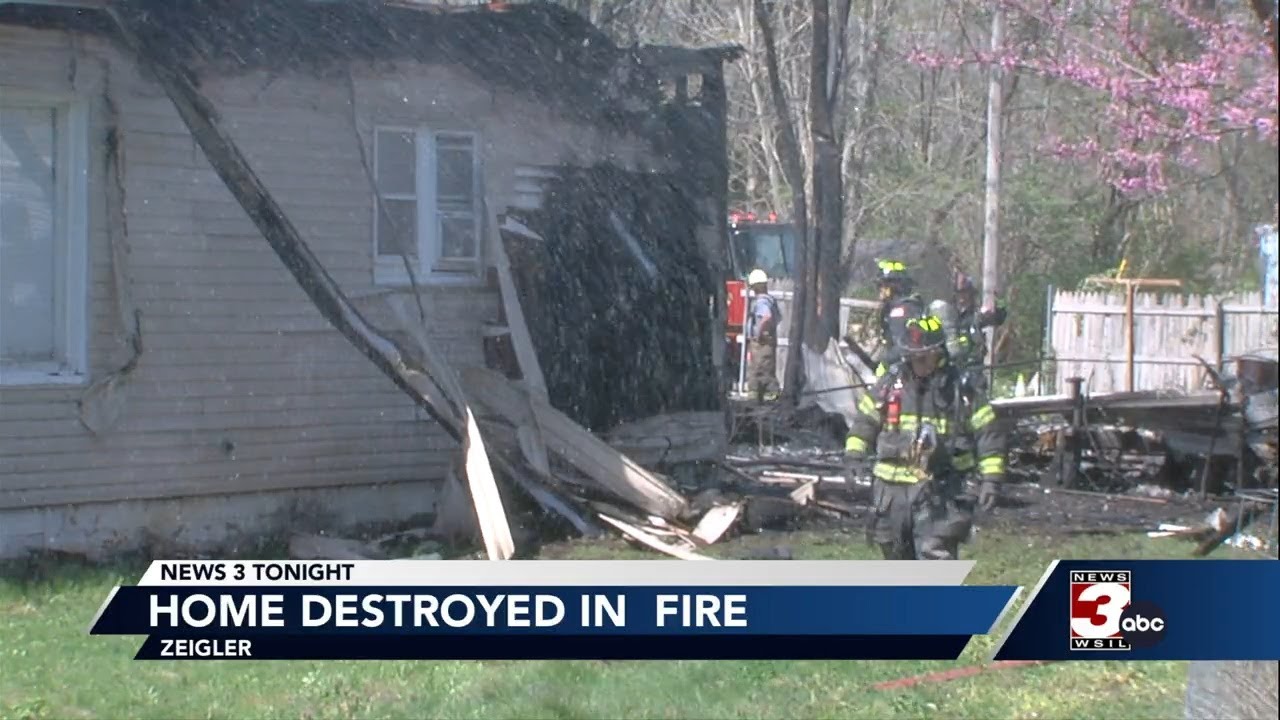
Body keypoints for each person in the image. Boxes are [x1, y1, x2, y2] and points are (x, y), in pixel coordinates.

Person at [843, 315, 1008, 560]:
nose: (916, 361)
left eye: (922, 356)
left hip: (941, 491)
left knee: (935, 557)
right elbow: (864, 422)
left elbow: (988, 433)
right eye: (911, 355)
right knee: (897, 565)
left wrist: (991, 480)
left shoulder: (961, 390)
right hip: (891, 495)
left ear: (939, 352)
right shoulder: (890, 385)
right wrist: (853, 457)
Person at [871, 259, 925, 377]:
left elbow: (903, 346)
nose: (880, 290)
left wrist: (885, 363)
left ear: (893, 287)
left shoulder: (900, 311)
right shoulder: (907, 307)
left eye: (882, 285)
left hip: (905, 373)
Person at [746, 268, 781, 401]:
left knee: (758, 369)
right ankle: (764, 395)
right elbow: (777, 318)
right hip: (768, 341)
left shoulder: (761, 301)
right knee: (766, 367)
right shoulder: (771, 300)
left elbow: (766, 316)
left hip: (761, 342)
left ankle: (760, 395)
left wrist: (759, 333)